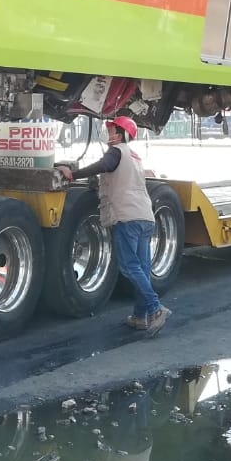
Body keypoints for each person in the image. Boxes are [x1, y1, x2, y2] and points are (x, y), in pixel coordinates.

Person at [55, 116, 168, 336]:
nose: (110, 134)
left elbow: (104, 165)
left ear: (122, 134)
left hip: (127, 217)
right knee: (142, 268)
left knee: (129, 266)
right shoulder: (134, 157)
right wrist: (97, 183)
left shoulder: (116, 152)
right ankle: (140, 316)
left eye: (113, 130)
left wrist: (73, 174)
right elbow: (118, 178)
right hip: (145, 216)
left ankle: (155, 308)